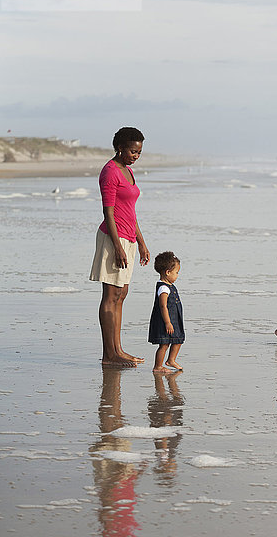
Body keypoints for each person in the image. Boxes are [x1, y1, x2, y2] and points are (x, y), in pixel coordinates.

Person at [90, 127, 150, 367]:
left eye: (139, 152)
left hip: (129, 239)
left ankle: (118, 349)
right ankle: (109, 355)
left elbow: (131, 212)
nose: (136, 155)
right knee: (110, 295)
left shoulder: (128, 171)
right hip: (113, 239)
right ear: (120, 148)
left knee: (121, 295)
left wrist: (142, 243)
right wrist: (117, 246)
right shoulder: (110, 172)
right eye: (133, 151)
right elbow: (109, 211)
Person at [148, 251, 185, 373]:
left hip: (174, 319)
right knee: (164, 344)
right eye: (176, 272)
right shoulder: (163, 287)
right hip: (166, 320)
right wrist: (168, 322)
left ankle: (171, 360)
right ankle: (158, 366)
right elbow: (163, 306)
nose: (177, 275)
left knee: (178, 339)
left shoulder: (169, 285)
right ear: (168, 272)